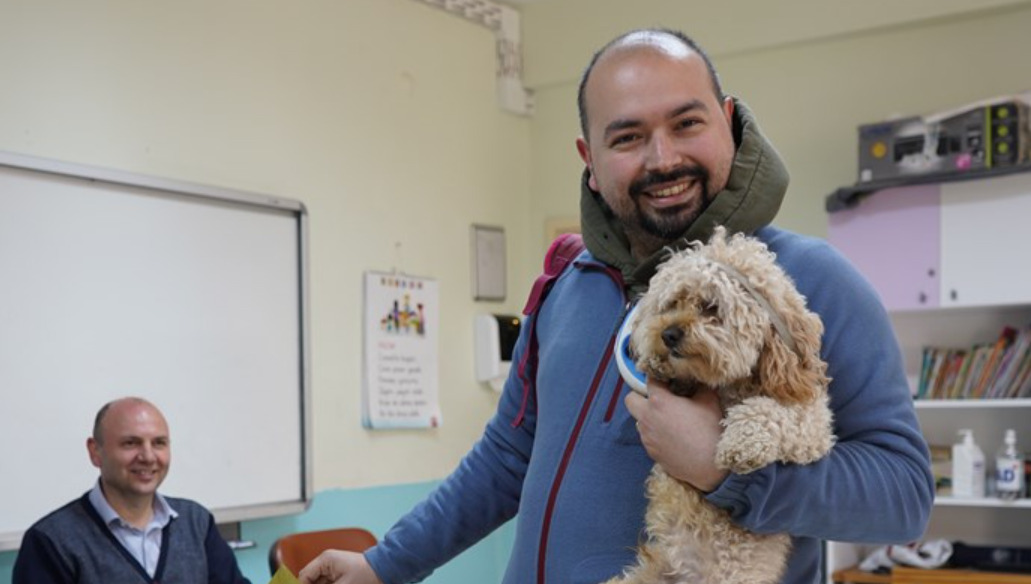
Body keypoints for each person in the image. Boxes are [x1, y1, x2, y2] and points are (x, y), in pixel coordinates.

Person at [299, 28, 935, 584]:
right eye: (628, 136)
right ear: (591, 160)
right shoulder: (568, 284)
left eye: (687, 123)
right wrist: (386, 564)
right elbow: (505, 459)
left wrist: (725, 469)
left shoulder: (809, 283)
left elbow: (903, 495)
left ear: (728, 120)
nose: (664, 159)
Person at [13, 397, 252, 584]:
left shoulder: (196, 522)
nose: (148, 457)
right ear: (95, 451)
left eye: (159, 443)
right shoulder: (50, 541)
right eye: (131, 443)